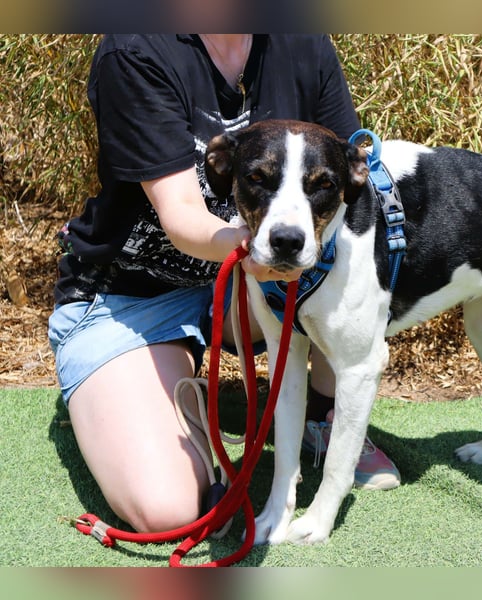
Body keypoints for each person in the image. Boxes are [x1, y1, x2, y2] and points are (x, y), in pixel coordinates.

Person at [48, 34, 400, 534]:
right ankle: (135, 385)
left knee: (341, 273)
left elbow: (345, 182)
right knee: (165, 507)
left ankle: (322, 414)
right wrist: (256, 248)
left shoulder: (301, 44)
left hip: (245, 286)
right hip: (132, 296)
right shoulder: (136, 51)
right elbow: (182, 216)